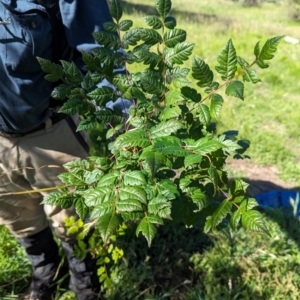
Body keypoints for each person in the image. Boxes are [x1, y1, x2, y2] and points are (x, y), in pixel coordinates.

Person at [0, 0, 122, 299]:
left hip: (53, 133)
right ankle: (46, 272)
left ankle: (85, 283)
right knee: (18, 218)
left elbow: (99, 54)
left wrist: (125, 122)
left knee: (72, 220)